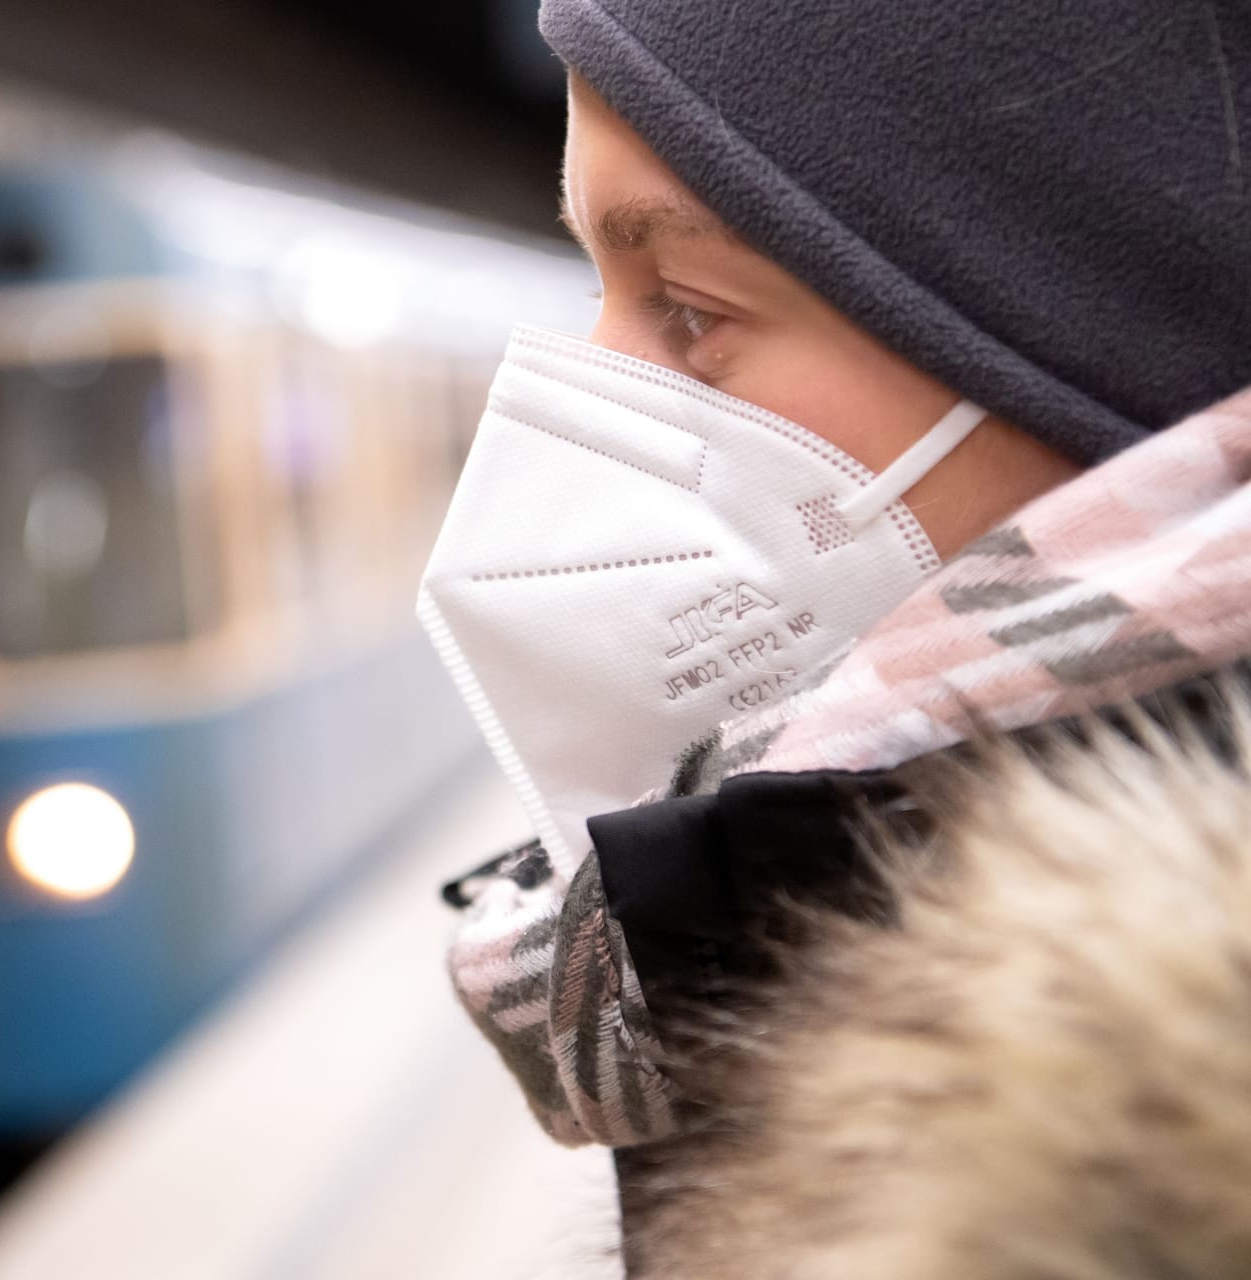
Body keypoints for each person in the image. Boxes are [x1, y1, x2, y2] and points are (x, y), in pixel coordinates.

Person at [421, 2, 1251, 1275]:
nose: (574, 407)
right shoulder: (754, 895)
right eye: (600, 291)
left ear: (1089, 347)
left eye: (686, 311)